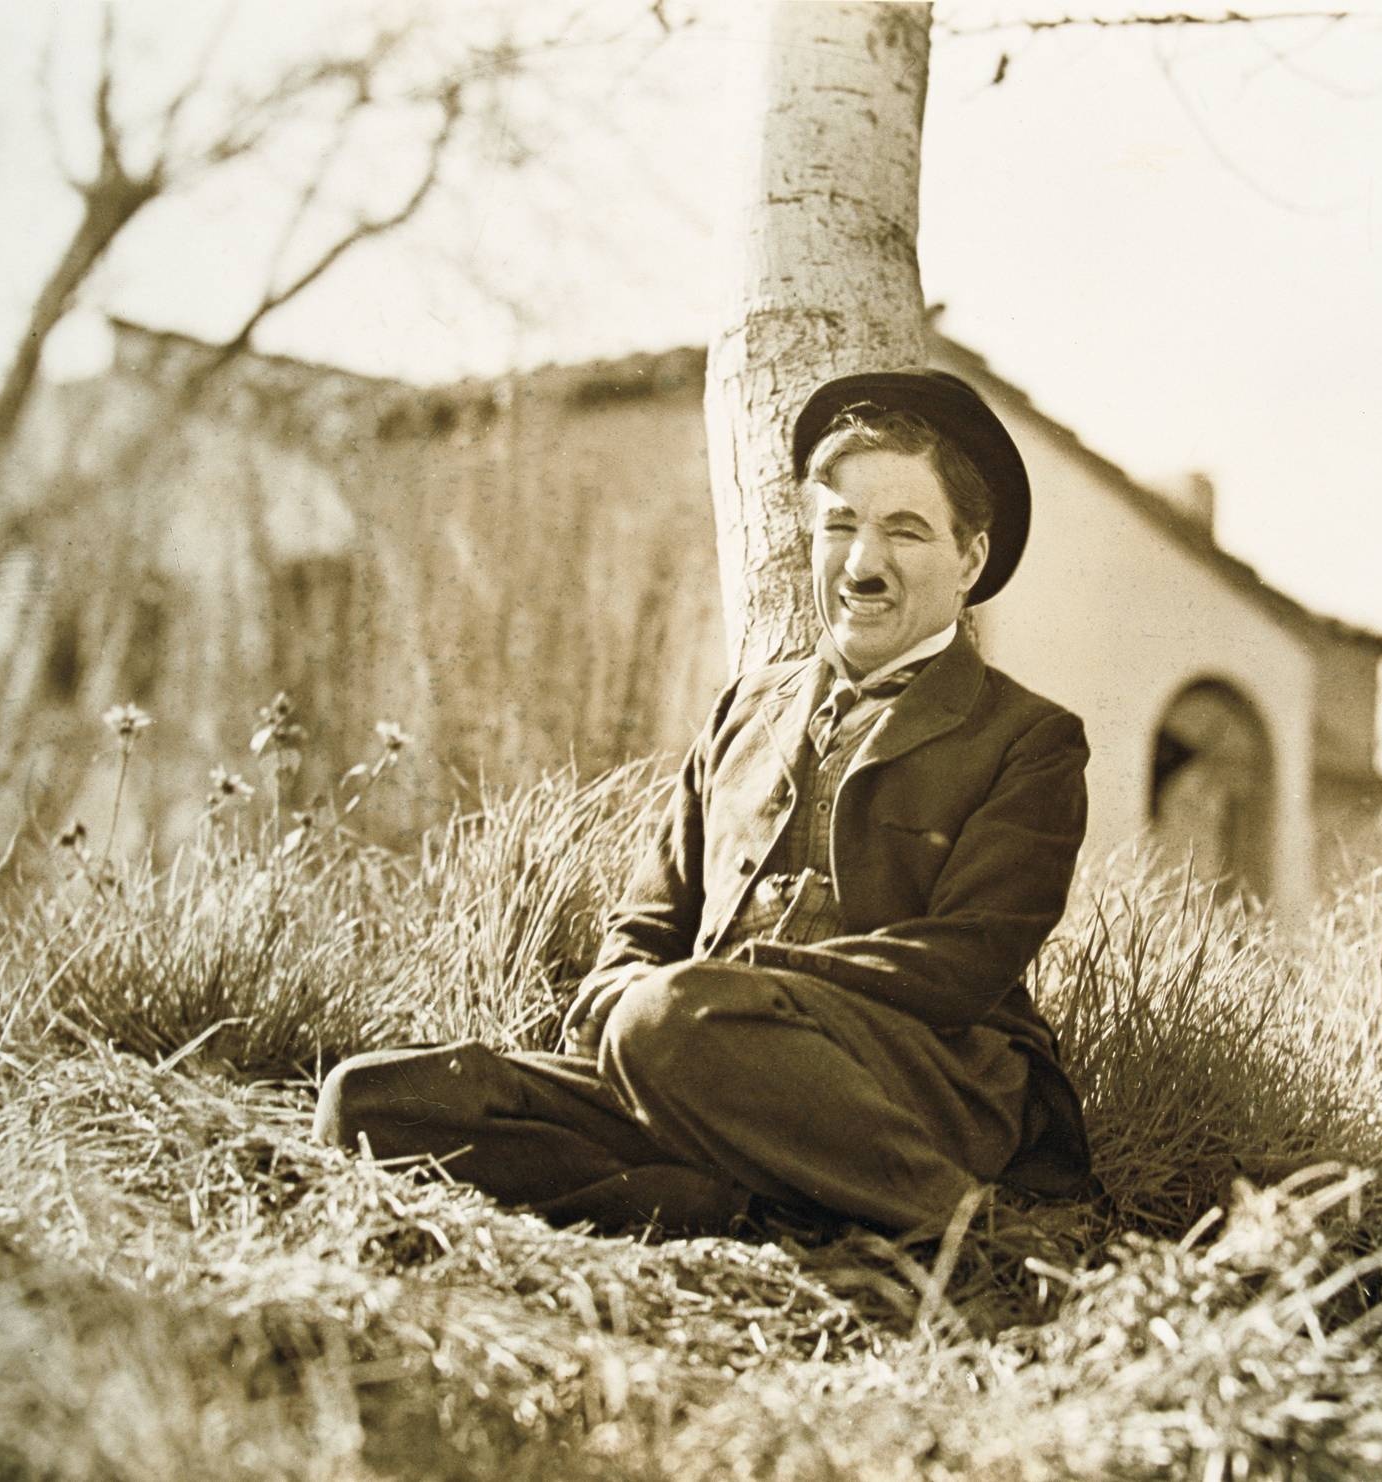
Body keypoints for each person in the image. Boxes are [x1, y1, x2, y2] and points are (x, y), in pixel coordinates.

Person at [314, 367, 1095, 1235]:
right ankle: (737, 1205)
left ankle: (966, 1228)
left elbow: (962, 965)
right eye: (839, 525)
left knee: (668, 1021)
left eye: (905, 532)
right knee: (374, 1102)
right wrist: (619, 993)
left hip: (913, 1084)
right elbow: (645, 927)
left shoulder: (1028, 738)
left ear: (970, 560)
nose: (862, 564)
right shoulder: (745, 712)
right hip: (686, 1060)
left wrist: (724, 992)